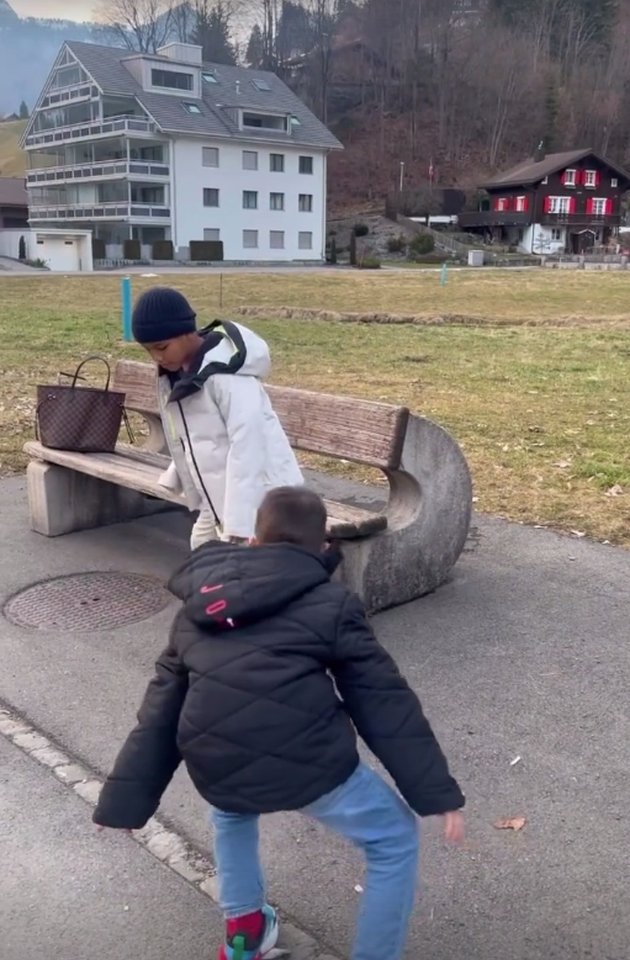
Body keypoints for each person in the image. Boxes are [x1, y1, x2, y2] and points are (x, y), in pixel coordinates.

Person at [93, 487, 465, 960]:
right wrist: (434, 793)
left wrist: (123, 801)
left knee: (231, 810)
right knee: (393, 838)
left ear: (252, 540)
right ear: (324, 546)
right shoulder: (331, 605)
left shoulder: (198, 605)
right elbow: (382, 699)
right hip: (307, 762)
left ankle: (245, 936)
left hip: (216, 760)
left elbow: (160, 708)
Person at [131, 286, 303, 548]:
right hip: (217, 495)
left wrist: (237, 529)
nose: (157, 357)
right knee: (202, 550)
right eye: (148, 351)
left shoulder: (227, 377)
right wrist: (176, 475)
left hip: (264, 498)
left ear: (187, 332)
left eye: (162, 347)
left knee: (247, 572)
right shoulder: (179, 373)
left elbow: (248, 449)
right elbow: (194, 434)